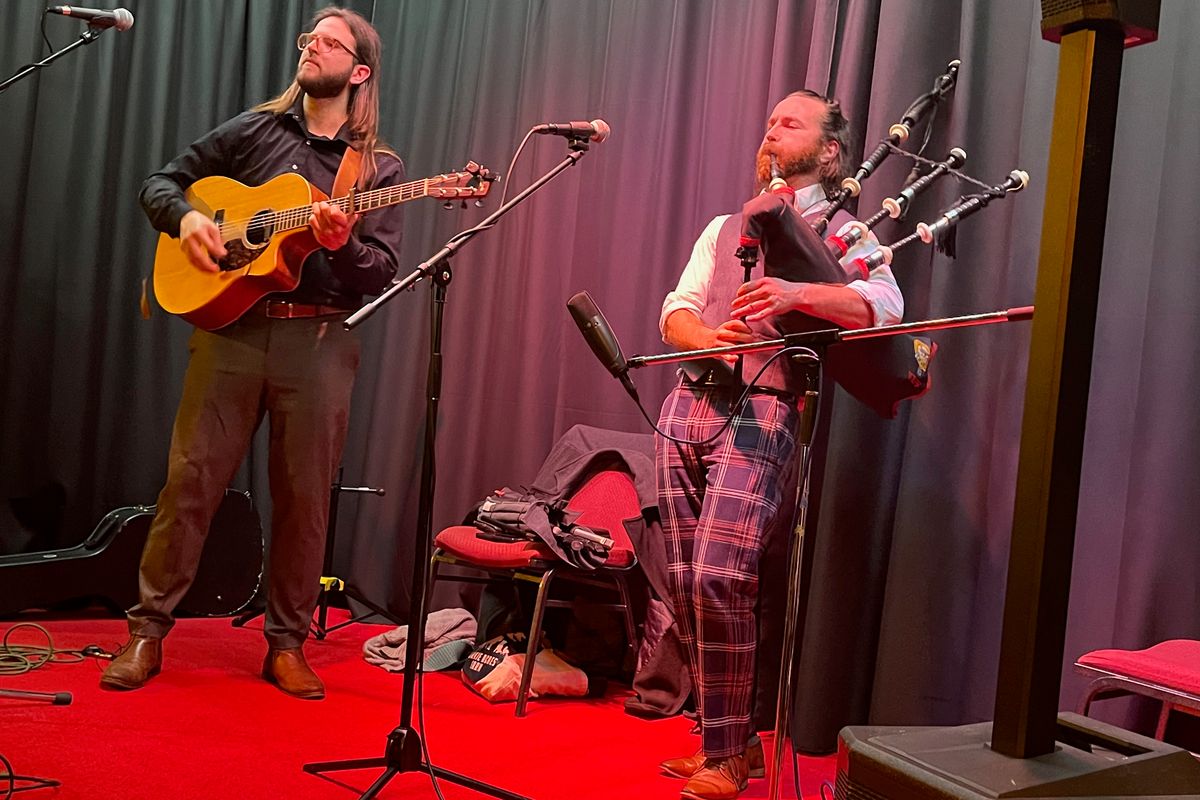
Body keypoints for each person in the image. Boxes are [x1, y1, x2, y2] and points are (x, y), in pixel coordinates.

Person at [100, 7, 404, 700]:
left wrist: (341, 244)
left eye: (329, 42)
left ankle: (286, 644)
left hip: (321, 342)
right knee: (190, 483)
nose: (311, 47)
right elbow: (161, 184)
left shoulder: (379, 167)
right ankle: (147, 631)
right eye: (309, 38)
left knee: (304, 501)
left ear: (358, 72)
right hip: (232, 333)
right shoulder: (256, 129)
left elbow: (380, 271)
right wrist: (189, 222)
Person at [655, 90, 904, 799]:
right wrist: (709, 338)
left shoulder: (851, 232)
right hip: (689, 398)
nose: (771, 130)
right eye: (768, 121)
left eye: (790, 123)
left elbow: (884, 309)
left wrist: (798, 294)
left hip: (765, 407)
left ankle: (734, 753)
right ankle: (722, 742)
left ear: (829, 151)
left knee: (719, 575)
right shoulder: (722, 224)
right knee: (681, 577)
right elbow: (676, 311)